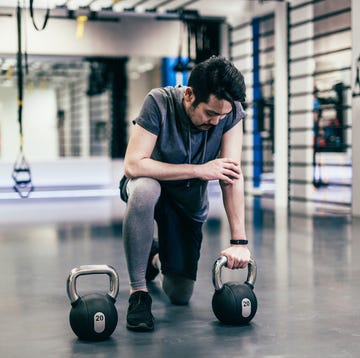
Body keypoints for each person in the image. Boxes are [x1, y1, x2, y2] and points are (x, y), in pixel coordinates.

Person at [119, 55, 251, 332]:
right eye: (210, 113)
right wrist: (198, 170)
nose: (216, 122)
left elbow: (231, 175)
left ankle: (153, 256)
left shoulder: (230, 113)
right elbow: (133, 164)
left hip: (187, 200)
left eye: (222, 116)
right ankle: (138, 293)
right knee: (145, 189)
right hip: (148, 182)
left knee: (179, 294)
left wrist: (239, 240)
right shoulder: (159, 102)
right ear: (189, 95)